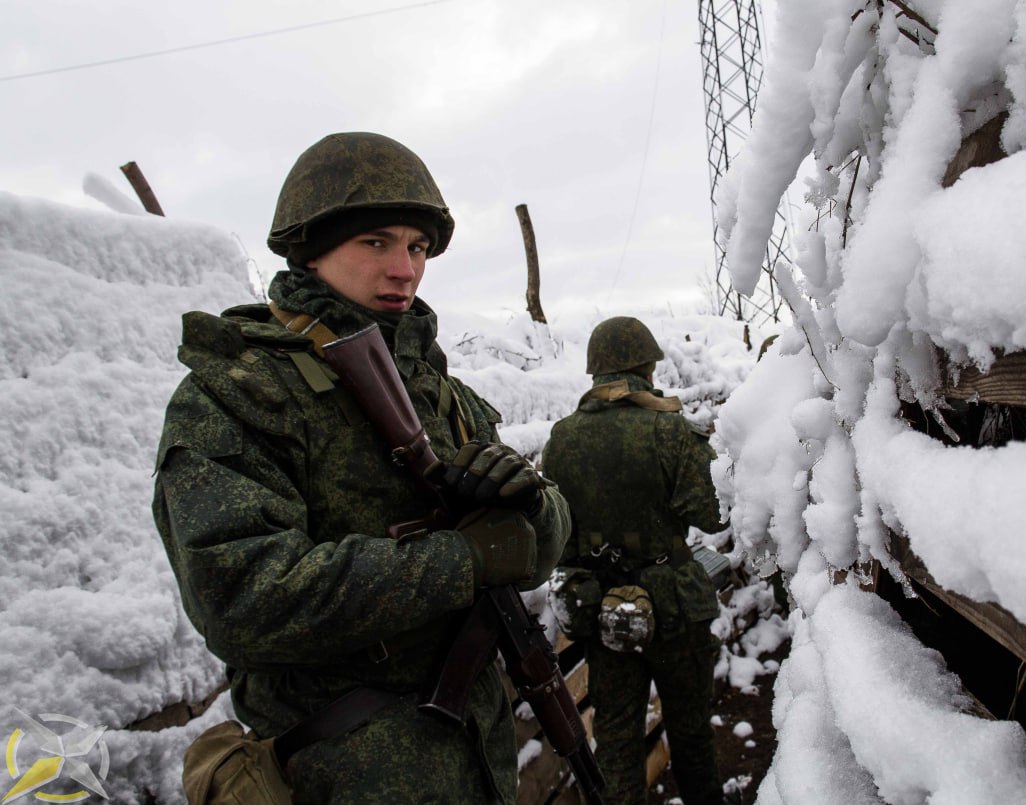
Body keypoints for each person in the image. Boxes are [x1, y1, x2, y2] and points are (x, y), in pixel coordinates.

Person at [152, 131, 570, 803]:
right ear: (311, 250)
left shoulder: (441, 392)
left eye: (418, 246)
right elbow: (239, 596)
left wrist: (531, 506)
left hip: (478, 764)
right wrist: (460, 560)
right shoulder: (239, 391)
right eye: (376, 242)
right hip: (347, 776)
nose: (404, 268)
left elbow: (541, 542)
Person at [541, 316, 730, 805]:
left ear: (595, 370)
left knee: (618, 745)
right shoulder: (670, 430)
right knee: (690, 734)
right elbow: (711, 516)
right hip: (675, 610)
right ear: (646, 366)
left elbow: (558, 537)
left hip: (606, 613)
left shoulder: (560, 439)